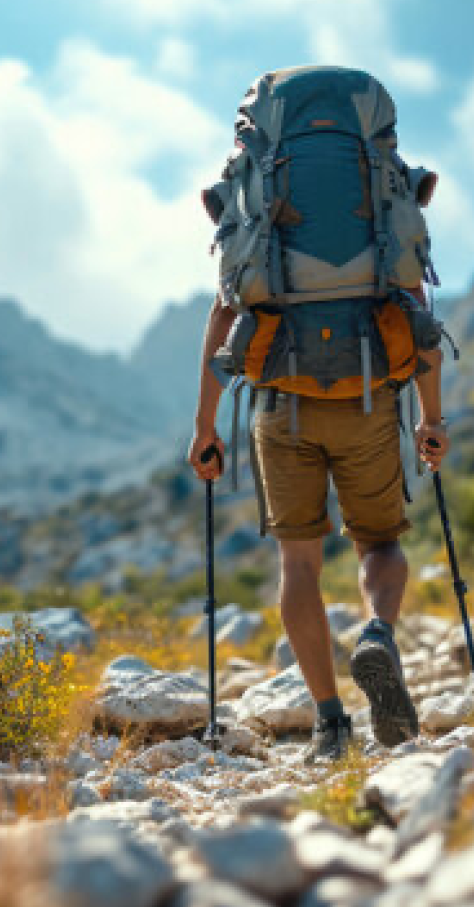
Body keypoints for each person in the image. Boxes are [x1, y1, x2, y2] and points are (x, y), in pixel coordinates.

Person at [187, 290, 449, 762]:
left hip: (282, 403)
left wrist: (207, 425)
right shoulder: (385, 214)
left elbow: (225, 313)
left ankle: (330, 724)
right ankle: (376, 635)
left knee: (299, 562)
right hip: (366, 399)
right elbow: (419, 317)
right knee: (379, 544)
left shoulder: (254, 215)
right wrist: (431, 418)